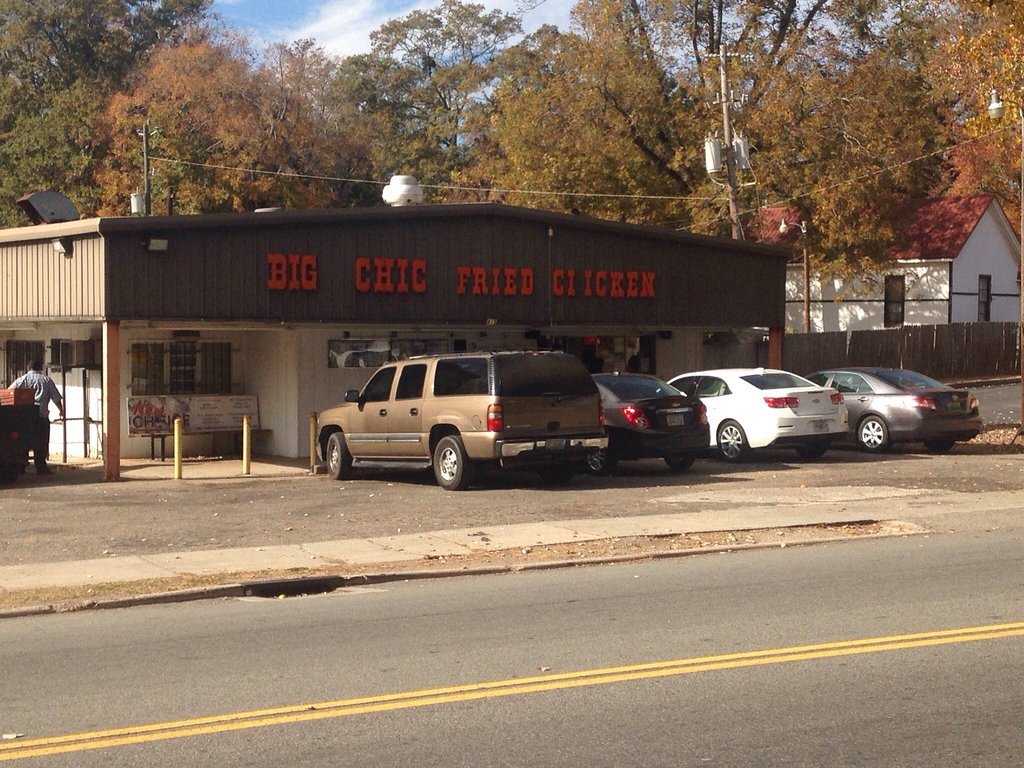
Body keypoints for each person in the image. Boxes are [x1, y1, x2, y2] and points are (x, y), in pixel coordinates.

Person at [9, 359, 64, 474]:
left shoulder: (21, 380)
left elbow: (10, 393)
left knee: (23, 442)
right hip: (41, 417)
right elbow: (56, 398)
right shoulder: (46, 380)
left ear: (28, 368)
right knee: (41, 443)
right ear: (41, 368)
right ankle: (41, 467)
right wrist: (61, 410)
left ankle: (21, 466)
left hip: (24, 418)